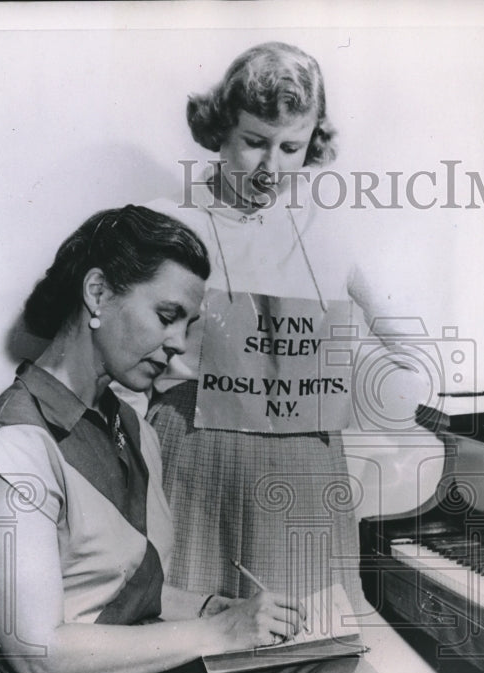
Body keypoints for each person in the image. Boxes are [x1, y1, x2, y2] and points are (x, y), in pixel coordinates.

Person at [0, 205, 417, 673]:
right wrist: (217, 635)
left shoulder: (126, 425)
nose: (178, 344)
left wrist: (214, 607)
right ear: (96, 294)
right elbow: (35, 650)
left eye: (188, 324)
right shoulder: (17, 441)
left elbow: (121, 587)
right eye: (166, 315)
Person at [146, 42, 421, 610]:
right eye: (254, 143)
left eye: (291, 147)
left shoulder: (331, 235)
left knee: (307, 644)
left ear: (312, 141)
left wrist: (365, 395)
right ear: (220, 131)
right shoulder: (172, 225)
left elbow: (411, 352)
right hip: (198, 461)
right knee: (191, 642)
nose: (272, 168)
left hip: (304, 472)